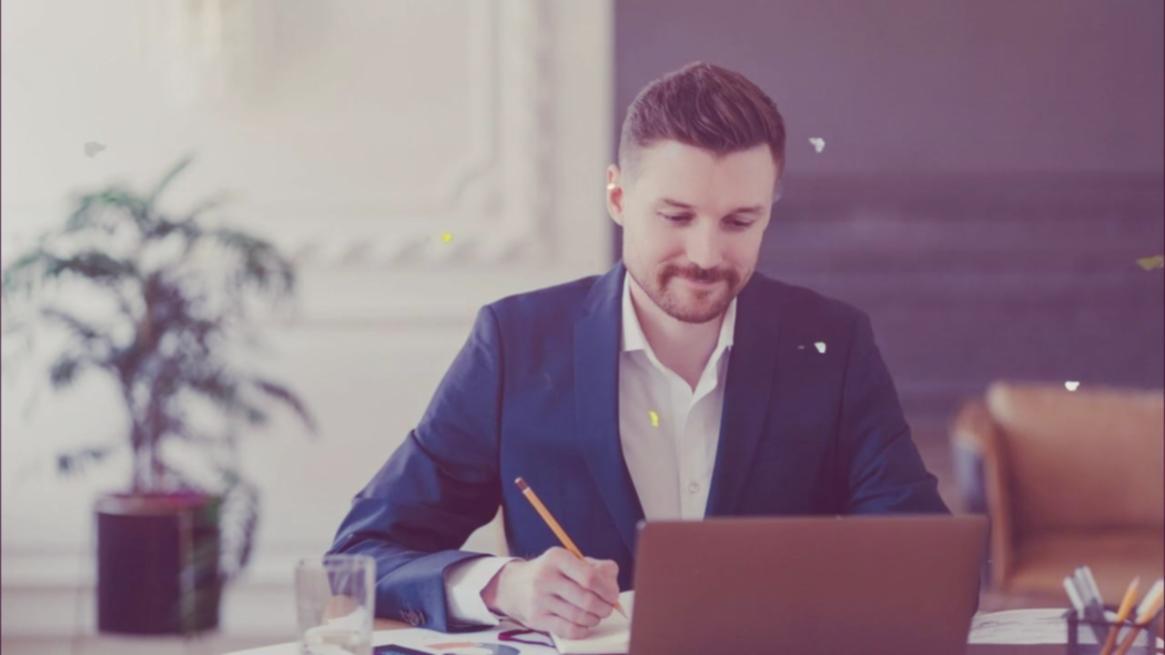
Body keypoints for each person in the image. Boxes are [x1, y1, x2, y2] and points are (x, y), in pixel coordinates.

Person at [327, 61, 948, 638]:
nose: (706, 256)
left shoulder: (834, 344)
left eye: (739, 222)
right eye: (677, 216)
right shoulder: (516, 343)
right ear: (619, 198)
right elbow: (361, 555)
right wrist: (501, 586)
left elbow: (936, 566)